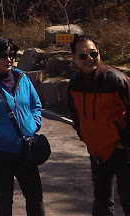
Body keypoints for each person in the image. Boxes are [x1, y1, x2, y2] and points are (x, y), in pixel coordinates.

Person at [0, 36, 45, 216]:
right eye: (2, 55)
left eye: (12, 55)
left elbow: (36, 106)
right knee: (4, 200)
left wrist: (33, 125)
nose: (8, 59)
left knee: (35, 197)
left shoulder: (22, 78)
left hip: (25, 150)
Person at [68, 34, 130, 216]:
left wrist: (125, 140)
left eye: (93, 54)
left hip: (121, 151)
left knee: (127, 199)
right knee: (102, 203)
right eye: (83, 55)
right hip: (96, 151)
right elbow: (75, 113)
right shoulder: (75, 83)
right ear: (74, 58)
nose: (89, 59)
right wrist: (84, 135)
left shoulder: (115, 80)